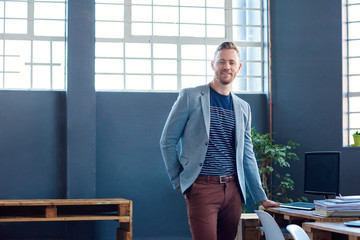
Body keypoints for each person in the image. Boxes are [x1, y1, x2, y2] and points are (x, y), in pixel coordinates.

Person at [159, 41, 280, 240]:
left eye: (232, 62)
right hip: (202, 188)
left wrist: (261, 197)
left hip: (233, 191)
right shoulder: (190, 96)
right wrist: (178, 181)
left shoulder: (243, 107)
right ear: (213, 64)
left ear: (238, 67)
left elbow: (247, 154)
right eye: (222, 62)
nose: (227, 67)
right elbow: (167, 141)